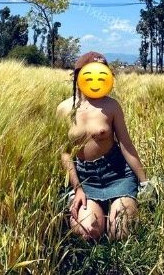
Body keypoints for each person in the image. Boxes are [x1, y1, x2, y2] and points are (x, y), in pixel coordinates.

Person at [56, 51, 149, 242]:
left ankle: (116, 209)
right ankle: (99, 212)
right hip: (86, 179)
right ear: (78, 76)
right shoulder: (64, 109)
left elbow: (126, 145)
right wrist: (77, 188)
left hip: (117, 174)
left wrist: (145, 183)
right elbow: (65, 153)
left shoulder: (111, 106)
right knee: (88, 232)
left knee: (121, 231)